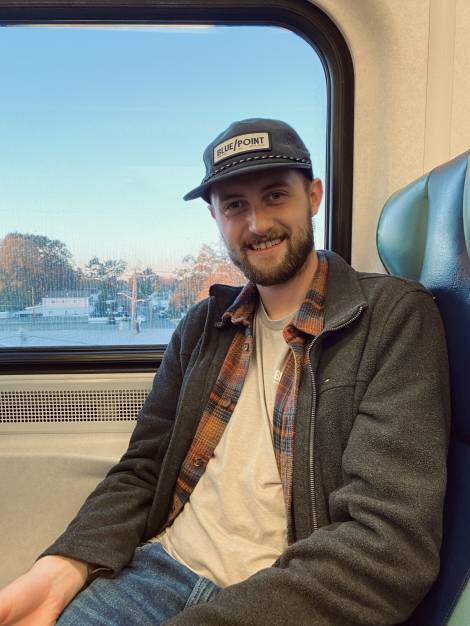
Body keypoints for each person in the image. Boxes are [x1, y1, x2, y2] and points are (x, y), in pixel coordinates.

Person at [0, 118, 450, 626]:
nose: (257, 223)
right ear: (215, 217)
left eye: (275, 195)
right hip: (159, 569)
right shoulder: (203, 326)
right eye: (235, 205)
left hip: (285, 594)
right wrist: (63, 567)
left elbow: (388, 545)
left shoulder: (392, 318)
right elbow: (144, 469)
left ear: (314, 197)